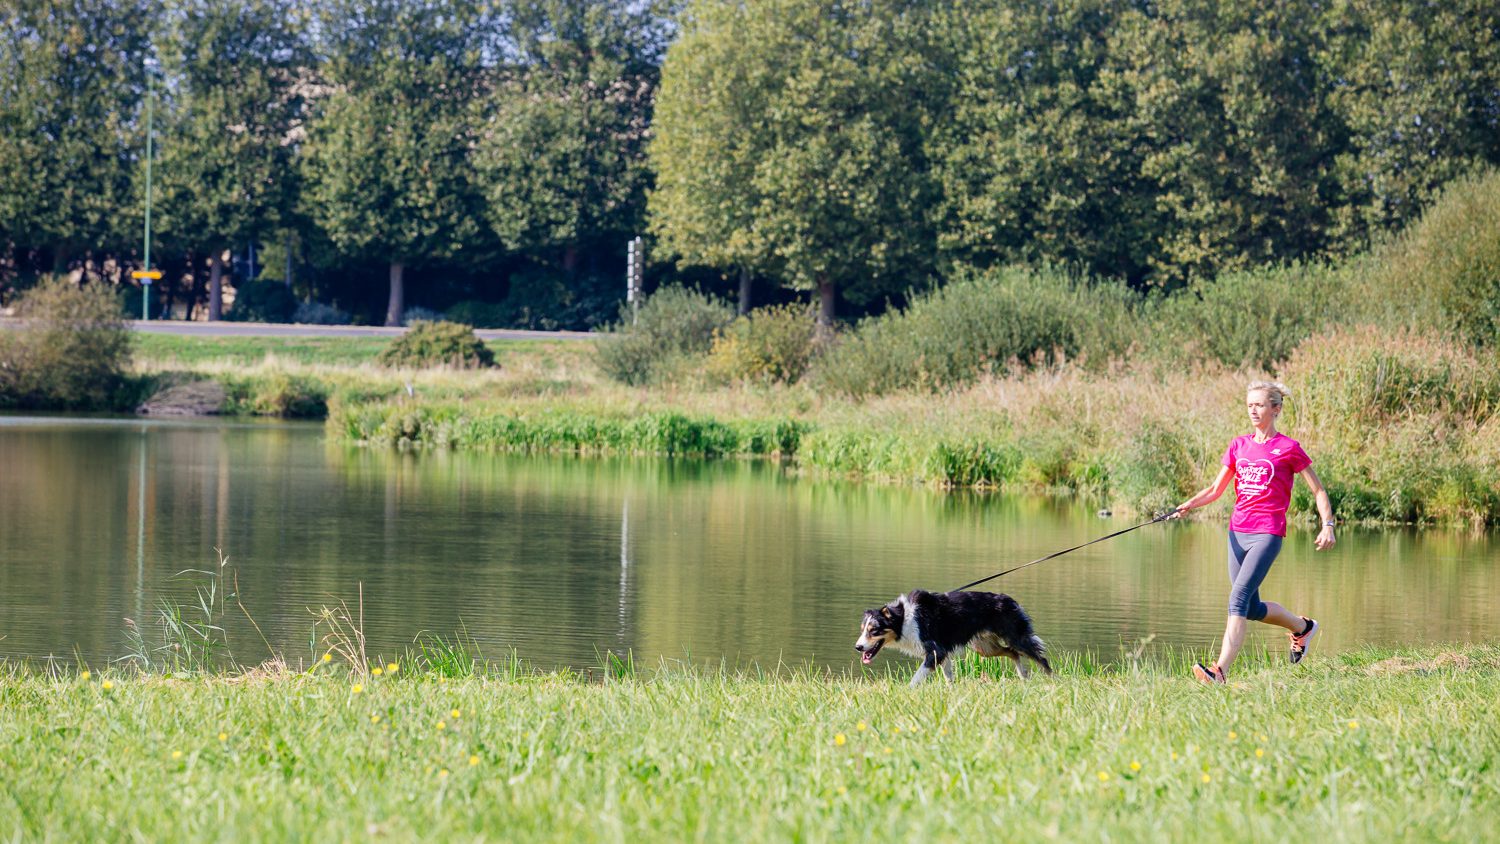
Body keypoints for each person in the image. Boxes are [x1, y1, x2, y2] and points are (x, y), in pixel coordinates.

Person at [1172, 380, 1336, 685]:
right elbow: (1215, 489)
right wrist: (1188, 505)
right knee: (1250, 607)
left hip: (1267, 532)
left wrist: (1328, 524)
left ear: (1276, 409)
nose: (1253, 410)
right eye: (1249, 405)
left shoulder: (1289, 448)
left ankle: (1219, 672)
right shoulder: (1239, 445)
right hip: (1237, 532)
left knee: (1237, 599)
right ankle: (1303, 627)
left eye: (1259, 405)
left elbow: (1318, 489)